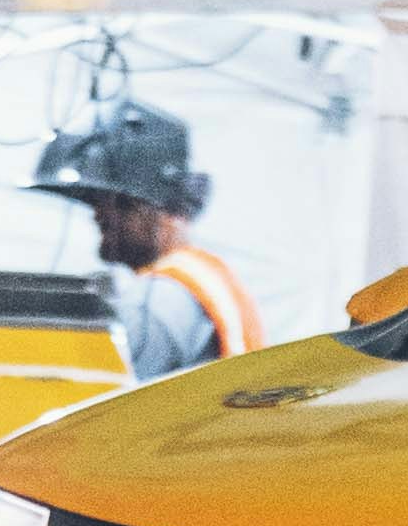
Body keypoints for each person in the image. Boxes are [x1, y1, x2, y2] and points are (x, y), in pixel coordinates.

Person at [37, 90, 261, 379]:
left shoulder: (161, 298)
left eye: (114, 202)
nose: (98, 214)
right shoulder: (205, 280)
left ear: (156, 206)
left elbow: (106, 395)